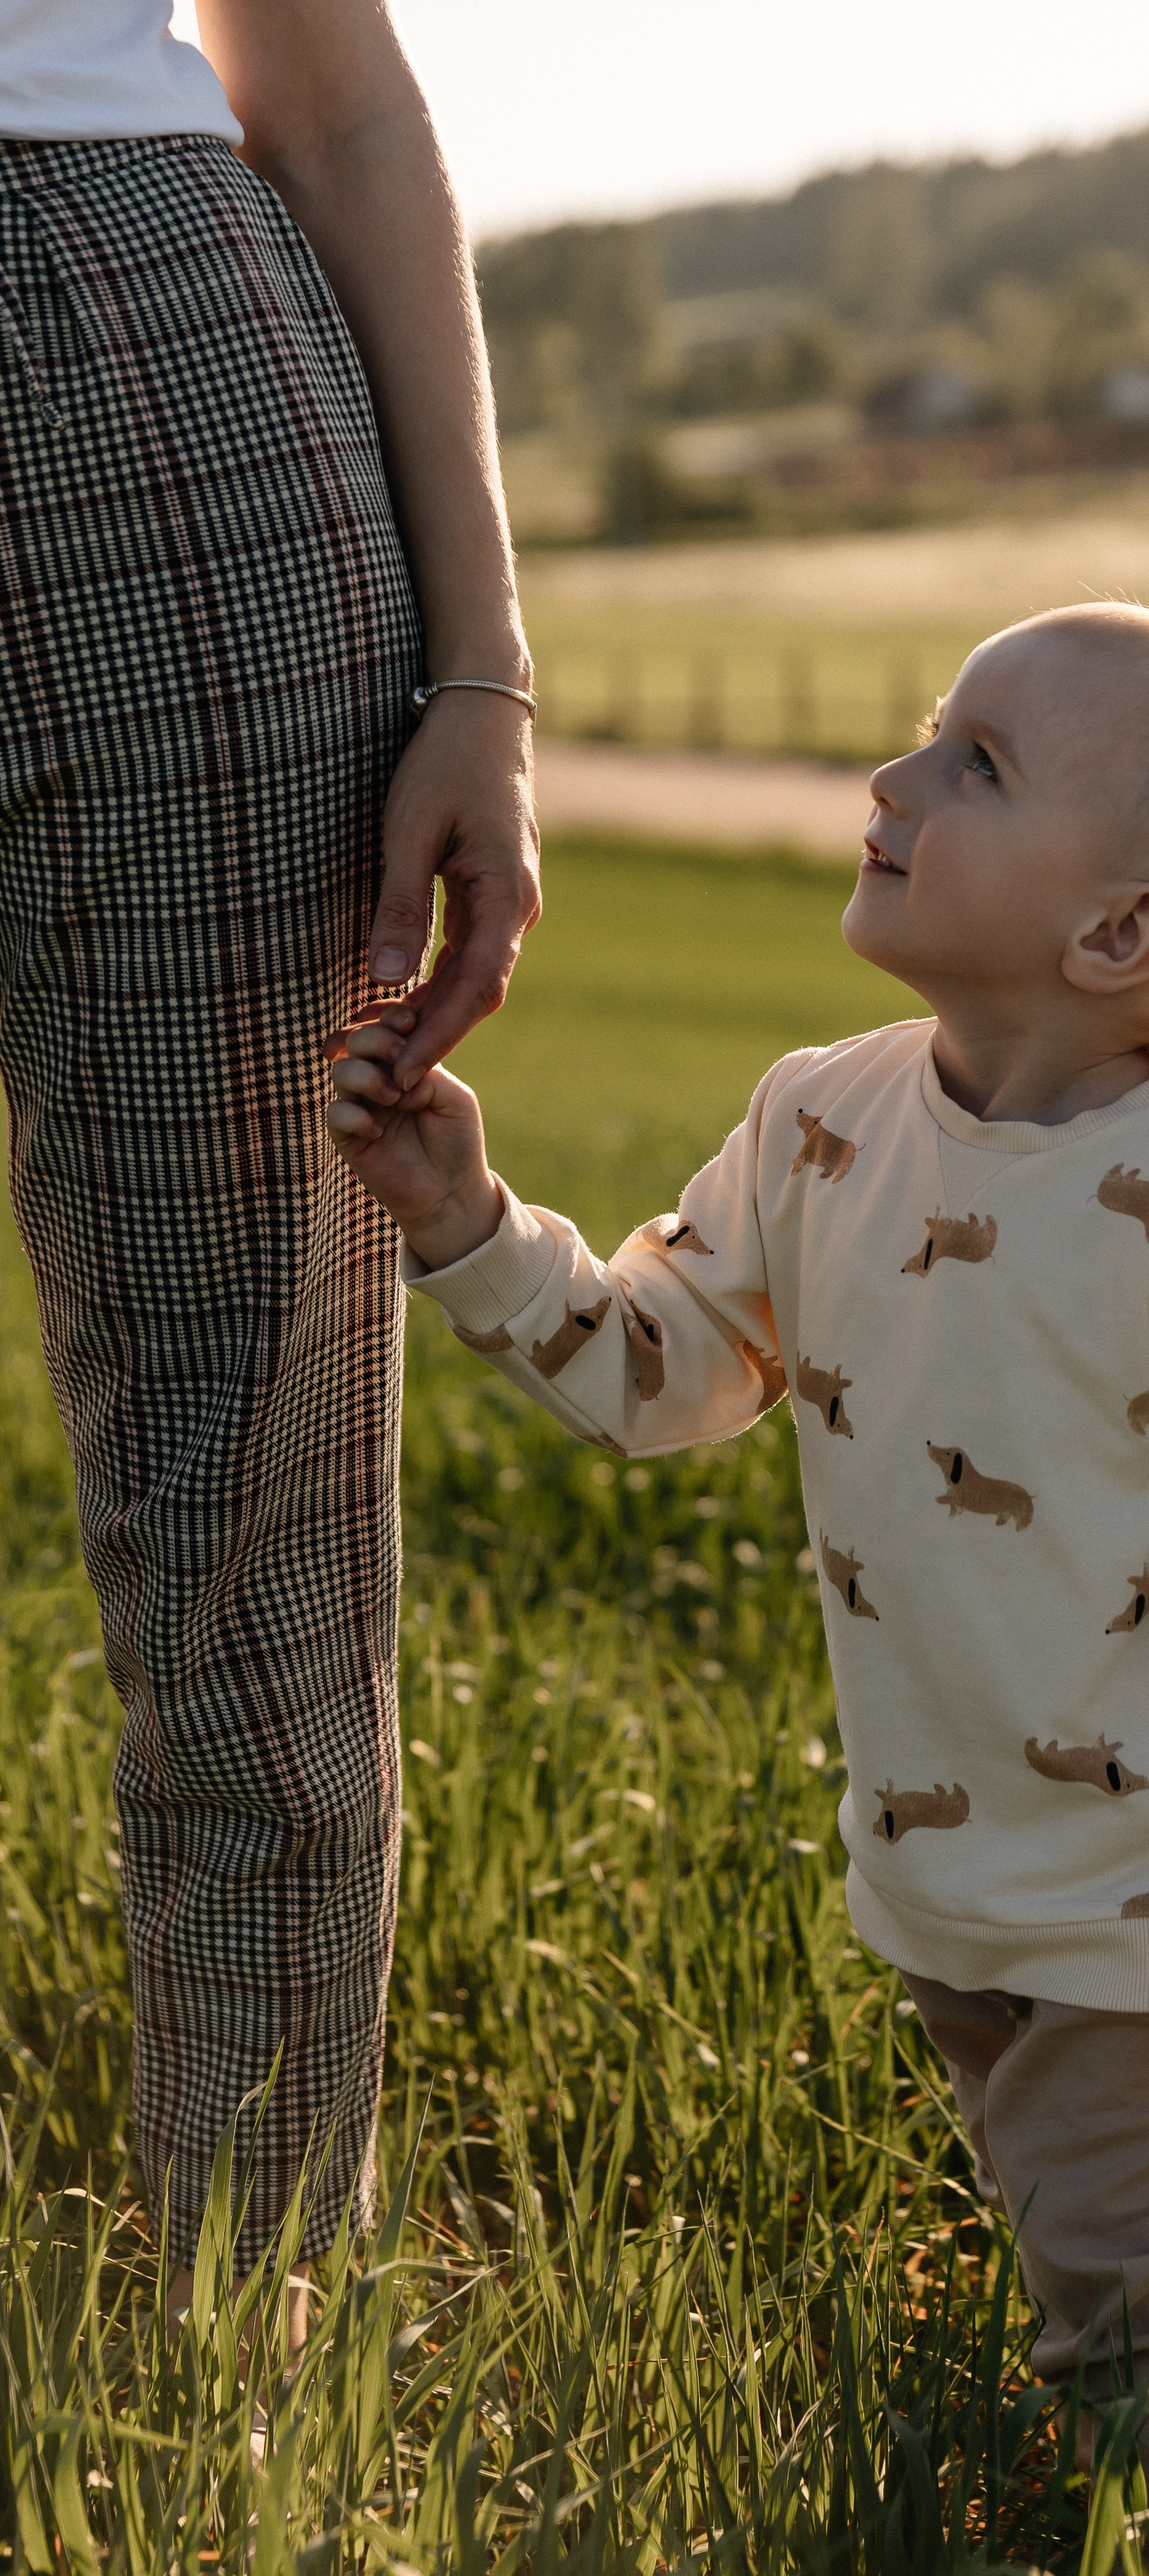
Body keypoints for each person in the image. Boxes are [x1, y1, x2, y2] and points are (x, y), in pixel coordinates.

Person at [326, 596, 1149, 2471]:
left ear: (1120, 932)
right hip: (934, 1861)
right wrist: (465, 1219)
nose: (893, 781)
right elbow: (657, 1373)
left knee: (1125, 2287)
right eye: (925, 732)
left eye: (975, 765)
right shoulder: (822, 1122)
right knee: (1051, 2212)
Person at [0, 0, 539, 2326]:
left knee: (255, 1520)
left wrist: (483, 664)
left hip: (165, 400)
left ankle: (243, 2367)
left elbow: (324, 77)